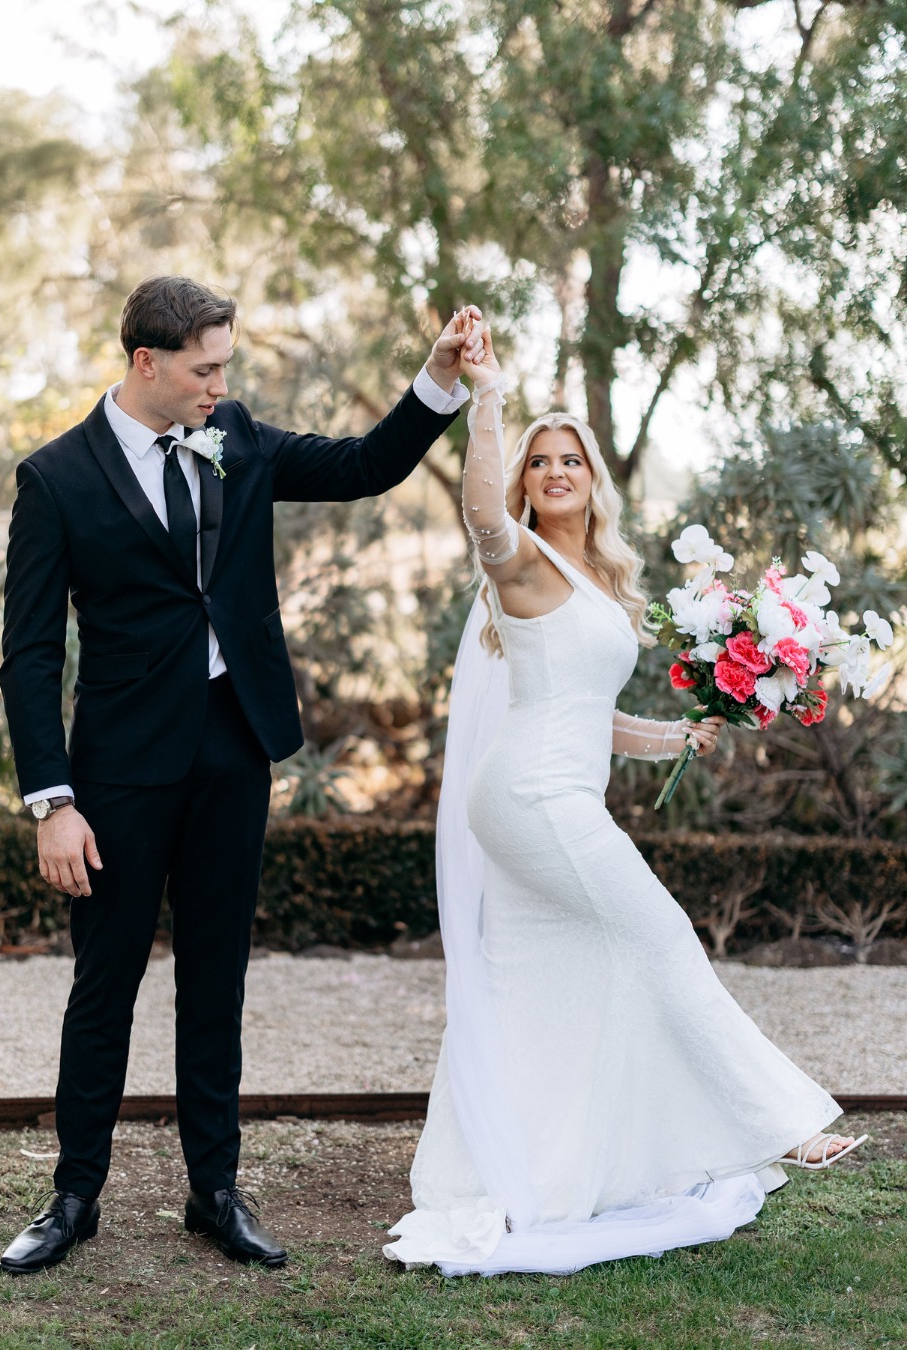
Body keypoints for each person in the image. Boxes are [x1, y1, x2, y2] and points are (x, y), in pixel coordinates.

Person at [0, 276, 485, 1275]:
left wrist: (437, 379)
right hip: (119, 772)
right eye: (205, 367)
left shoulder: (237, 437)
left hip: (233, 749)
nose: (221, 382)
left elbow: (363, 467)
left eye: (226, 365)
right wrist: (53, 800)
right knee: (106, 985)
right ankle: (73, 1197)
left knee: (217, 981)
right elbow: (30, 655)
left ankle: (214, 1191)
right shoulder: (57, 480)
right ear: (147, 363)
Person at [384, 322, 865, 1277]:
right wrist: (486, 399)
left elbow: (588, 713)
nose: (555, 471)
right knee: (658, 936)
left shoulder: (601, 584)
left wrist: (674, 738)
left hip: (550, 791)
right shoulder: (517, 560)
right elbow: (479, 511)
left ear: (592, 478)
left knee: (542, 989)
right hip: (533, 799)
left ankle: (527, 1172)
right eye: (540, 461)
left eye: (571, 459)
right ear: (524, 481)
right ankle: (782, 1123)